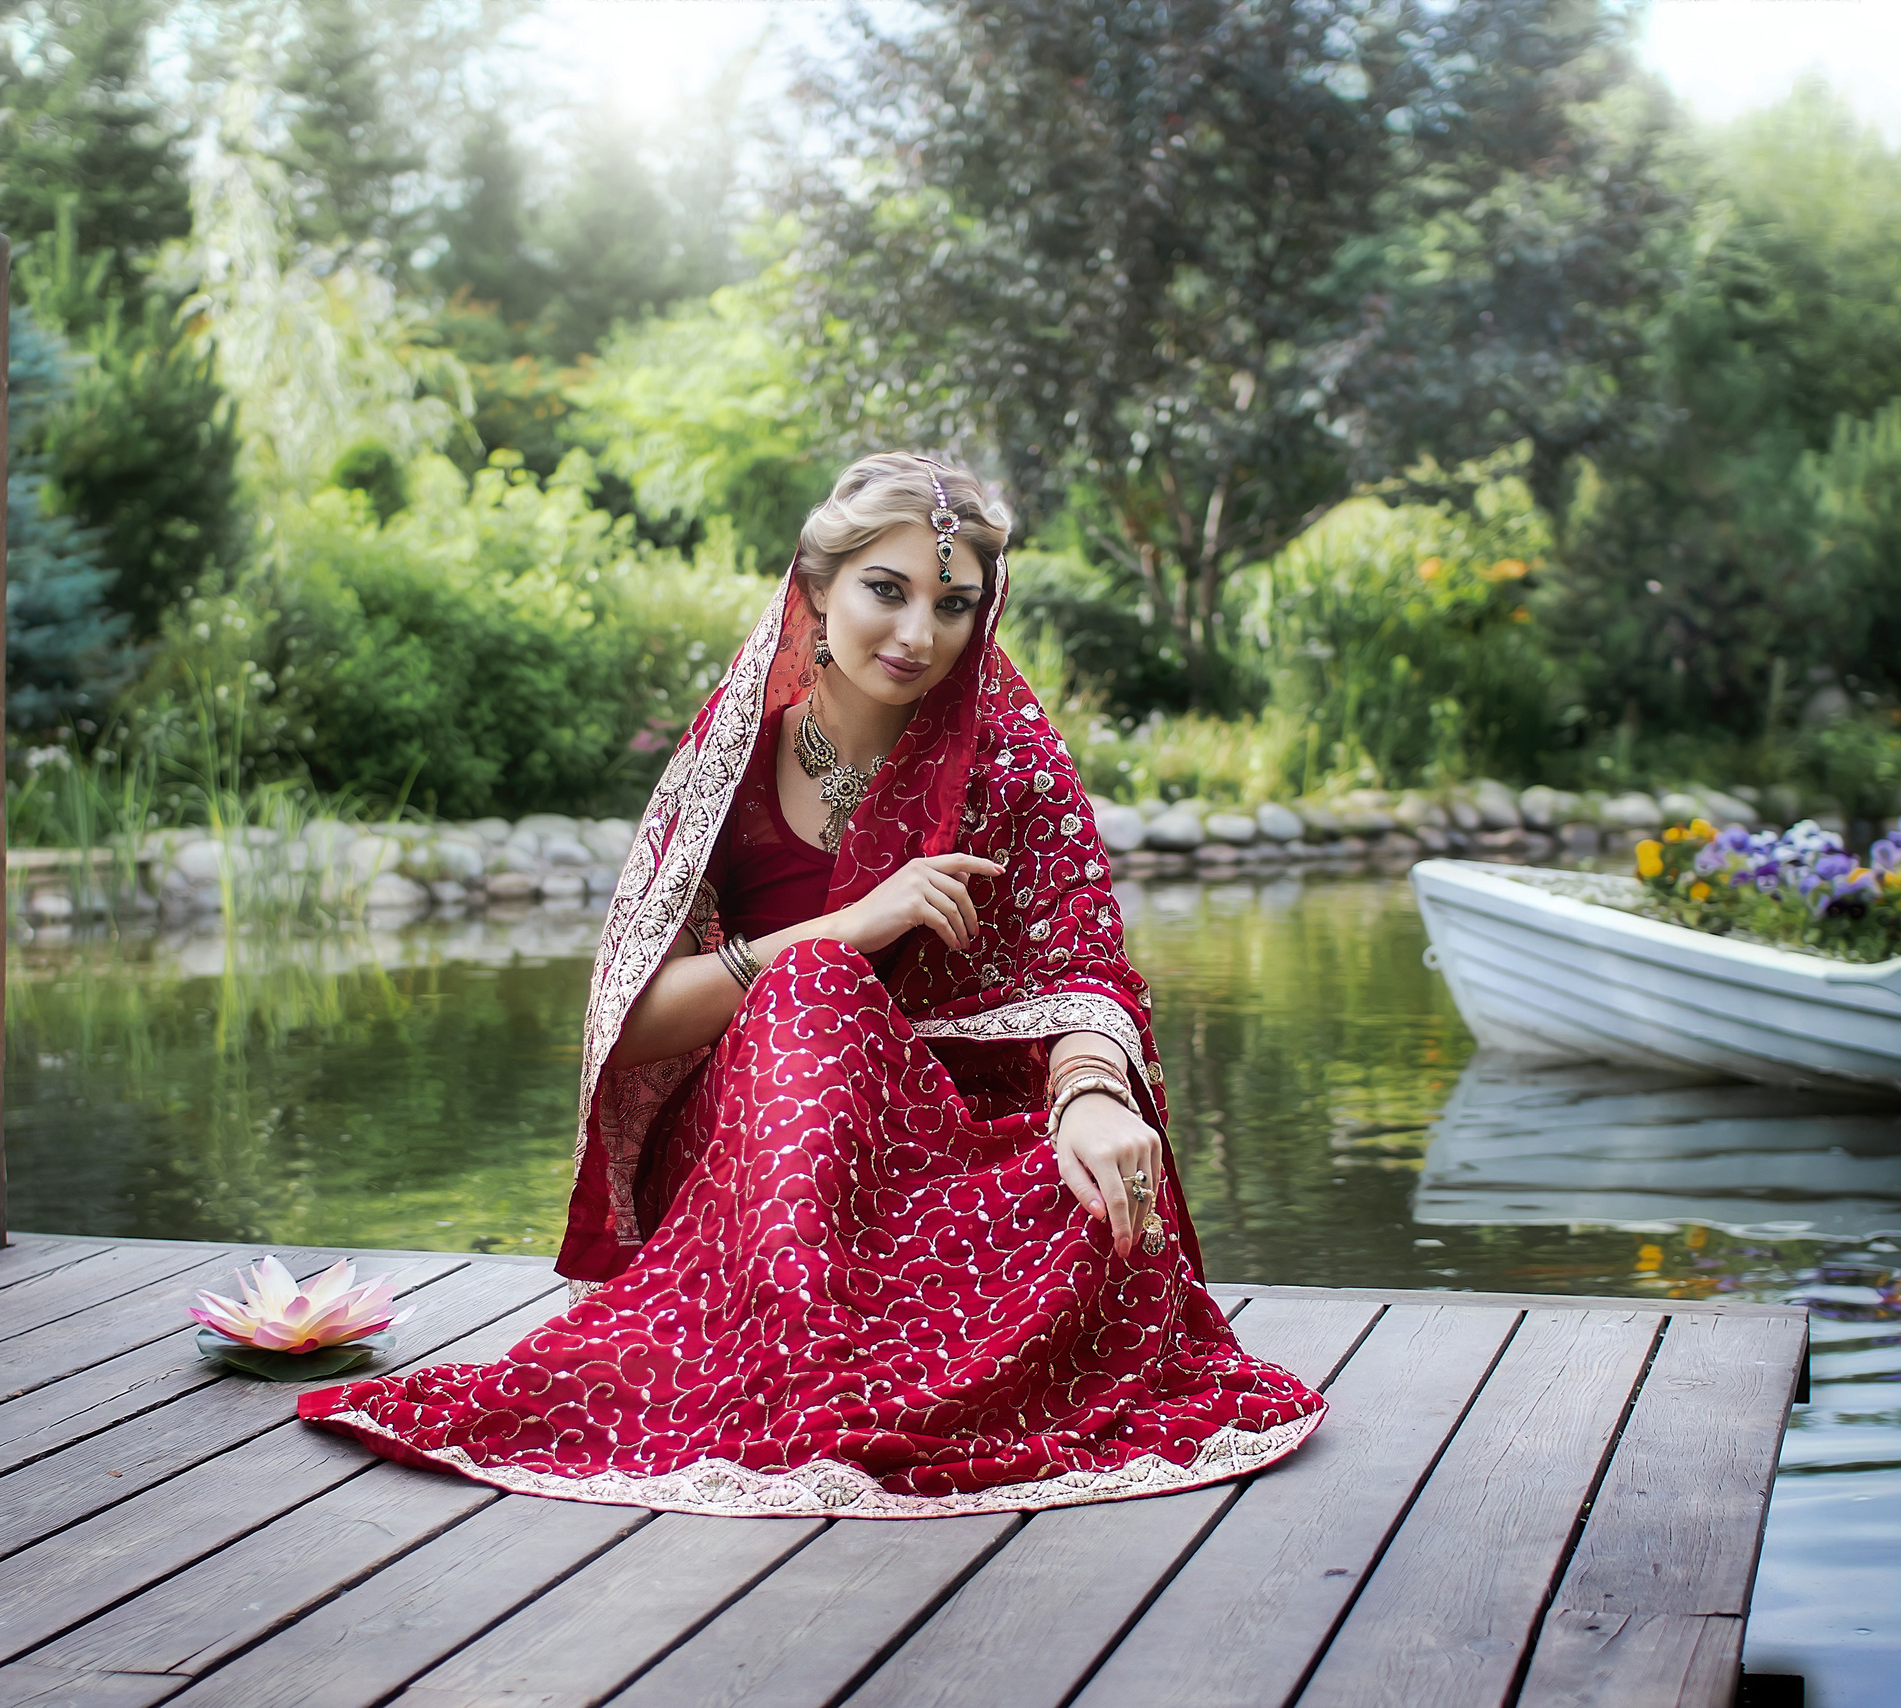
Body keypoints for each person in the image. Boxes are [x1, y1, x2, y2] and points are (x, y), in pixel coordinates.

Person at [299, 453, 1326, 1516]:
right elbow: (633, 1026)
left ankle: (858, 1370)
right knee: (818, 988)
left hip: (943, 1155)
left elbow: (1078, 968)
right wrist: (840, 925)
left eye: (954, 604)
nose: (917, 634)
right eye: (886, 590)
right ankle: (812, 1373)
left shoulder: (1010, 764)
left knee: (1100, 1206)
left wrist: (1093, 1097)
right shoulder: (732, 762)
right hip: (768, 1149)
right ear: (815, 588)